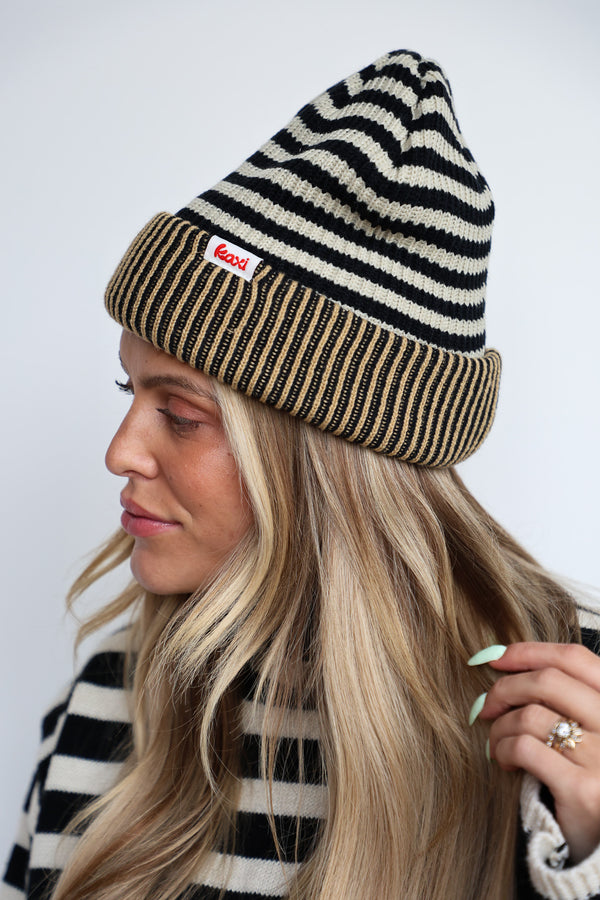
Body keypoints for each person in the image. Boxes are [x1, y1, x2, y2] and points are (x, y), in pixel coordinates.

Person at [2, 48, 600, 900]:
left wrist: (588, 855)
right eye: (129, 391)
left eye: (181, 414)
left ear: (328, 464)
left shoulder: (565, 705)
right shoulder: (115, 693)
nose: (120, 452)